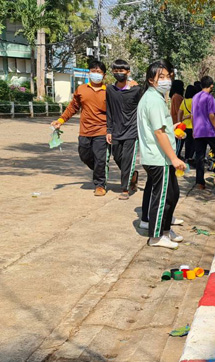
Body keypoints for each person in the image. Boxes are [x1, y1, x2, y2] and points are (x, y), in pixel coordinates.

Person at [136, 59, 186, 249]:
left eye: (168, 76)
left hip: (161, 157)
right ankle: (156, 236)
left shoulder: (155, 98)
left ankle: (165, 230)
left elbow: (160, 128)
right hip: (159, 158)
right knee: (163, 198)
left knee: (172, 194)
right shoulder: (154, 100)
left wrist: (173, 129)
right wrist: (174, 158)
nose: (166, 80)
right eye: (161, 77)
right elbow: (158, 133)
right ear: (151, 80)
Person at [51, 59, 109, 196]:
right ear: (89, 73)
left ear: (104, 75)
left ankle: (100, 185)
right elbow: (73, 107)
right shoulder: (81, 90)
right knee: (85, 156)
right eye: (93, 71)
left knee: (100, 158)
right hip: (85, 131)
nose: (96, 74)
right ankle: (100, 170)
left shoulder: (109, 91)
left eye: (99, 72)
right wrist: (61, 120)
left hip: (102, 130)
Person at [105, 59, 141, 200]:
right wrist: (109, 130)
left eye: (121, 71)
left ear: (128, 72)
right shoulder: (110, 90)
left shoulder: (136, 90)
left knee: (127, 159)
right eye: (116, 71)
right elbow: (109, 110)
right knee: (117, 156)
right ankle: (133, 175)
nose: (118, 73)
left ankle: (125, 189)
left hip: (132, 130)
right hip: (116, 130)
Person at [177, 85, 196, 163]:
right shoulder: (194, 101)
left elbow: (179, 112)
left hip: (184, 125)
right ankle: (189, 157)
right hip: (192, 125)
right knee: (192, 143)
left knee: (186, 143)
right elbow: (194, 114)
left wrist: (179, 122)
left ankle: (186, 157)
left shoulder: (184, 101)